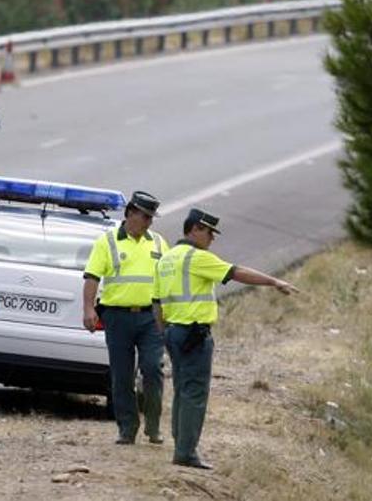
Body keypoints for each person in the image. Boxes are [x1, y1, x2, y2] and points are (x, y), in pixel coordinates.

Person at [154, 208, 298, 469]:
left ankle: (181, 445)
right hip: (193, 334)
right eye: (210, 232)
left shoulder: (166, 259)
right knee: (194, 393)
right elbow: (236, 272)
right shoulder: (196, 258)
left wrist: (163, 331)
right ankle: (186, 452)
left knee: (181, 391)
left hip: (173, 331)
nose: (212, 239)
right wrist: (275, 281)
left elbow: (156, 302)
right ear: (195, 229)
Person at [83, 191, 168, 445]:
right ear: (130, 213)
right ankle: (127, 428)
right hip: (118, 318)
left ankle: (153, 425)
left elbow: (171, 276)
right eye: (145, 216)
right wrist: (88, 309)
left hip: (150, 317)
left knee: (153, 369)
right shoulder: (107, 242)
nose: (149, 222)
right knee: (121, 376)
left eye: (152, 218)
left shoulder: (158, 243)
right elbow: (92, 277)